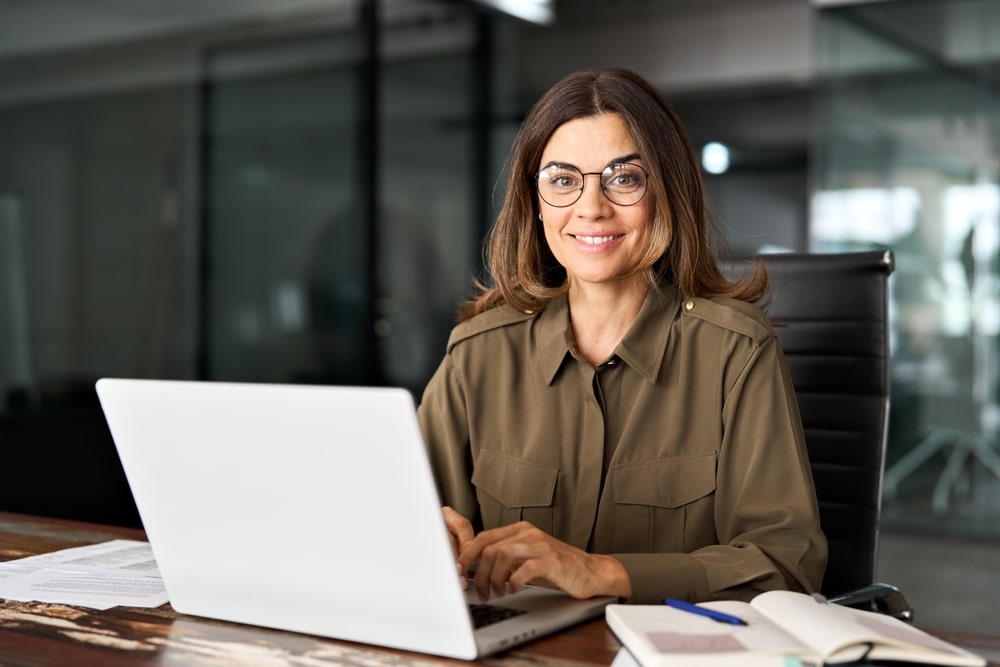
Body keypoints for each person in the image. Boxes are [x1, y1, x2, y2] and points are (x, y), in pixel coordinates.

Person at [416, 67, 827, 605]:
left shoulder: (736, 350)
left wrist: (601, 573)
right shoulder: (477, 353)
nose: (591, 207)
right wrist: (422, 537)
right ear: (536, 203)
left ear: (667, 192)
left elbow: (785, 565)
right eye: (563, 180)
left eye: (624, 178)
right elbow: (407, 524)